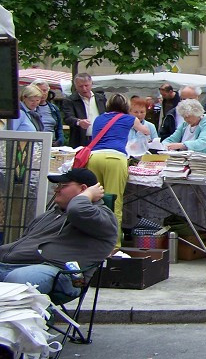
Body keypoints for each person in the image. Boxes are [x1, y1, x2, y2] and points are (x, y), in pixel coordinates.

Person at [0, 168, 117, 296]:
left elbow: (77, 210)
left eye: (63, 186)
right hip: (11, 264)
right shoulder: (51, 215)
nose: (56, 189)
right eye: (57, 185)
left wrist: (86, 195)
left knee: (18, 280)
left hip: (61, 274)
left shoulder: (101, 215)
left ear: (83, 189)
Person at [87, 93, 150, 241]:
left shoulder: (99, 118)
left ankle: (91, 241)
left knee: (93, 200)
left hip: (93, 157)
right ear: (126, 106)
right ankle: (113, 244)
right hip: (115, 158)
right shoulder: (129, 119)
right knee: (114, 202)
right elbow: (145, 131)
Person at [159, 86, 206, 150]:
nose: (186, 119)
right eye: (183, 99)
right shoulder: (184, 124)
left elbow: (202, 142)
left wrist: (181, 145)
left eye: (190, 99)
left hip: (204, 159)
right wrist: (166, 145)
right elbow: (170, 138)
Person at [61, 73, 107, 147]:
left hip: (101, 138)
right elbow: (67, 118)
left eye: (86, 85)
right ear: (75, 86)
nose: (84, 89)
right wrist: (79, 122)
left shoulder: (101, 98)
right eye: (80, 86)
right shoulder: (70, 100)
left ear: (91, 83)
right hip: (81, 139)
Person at [33, 80, 65, 146]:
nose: (42, 93)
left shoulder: (53, 108)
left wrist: (60, 140)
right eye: (39, 90)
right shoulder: (31, 109)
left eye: (44, 90)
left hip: (52, 143)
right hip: (37, 142)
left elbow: (59, 128)